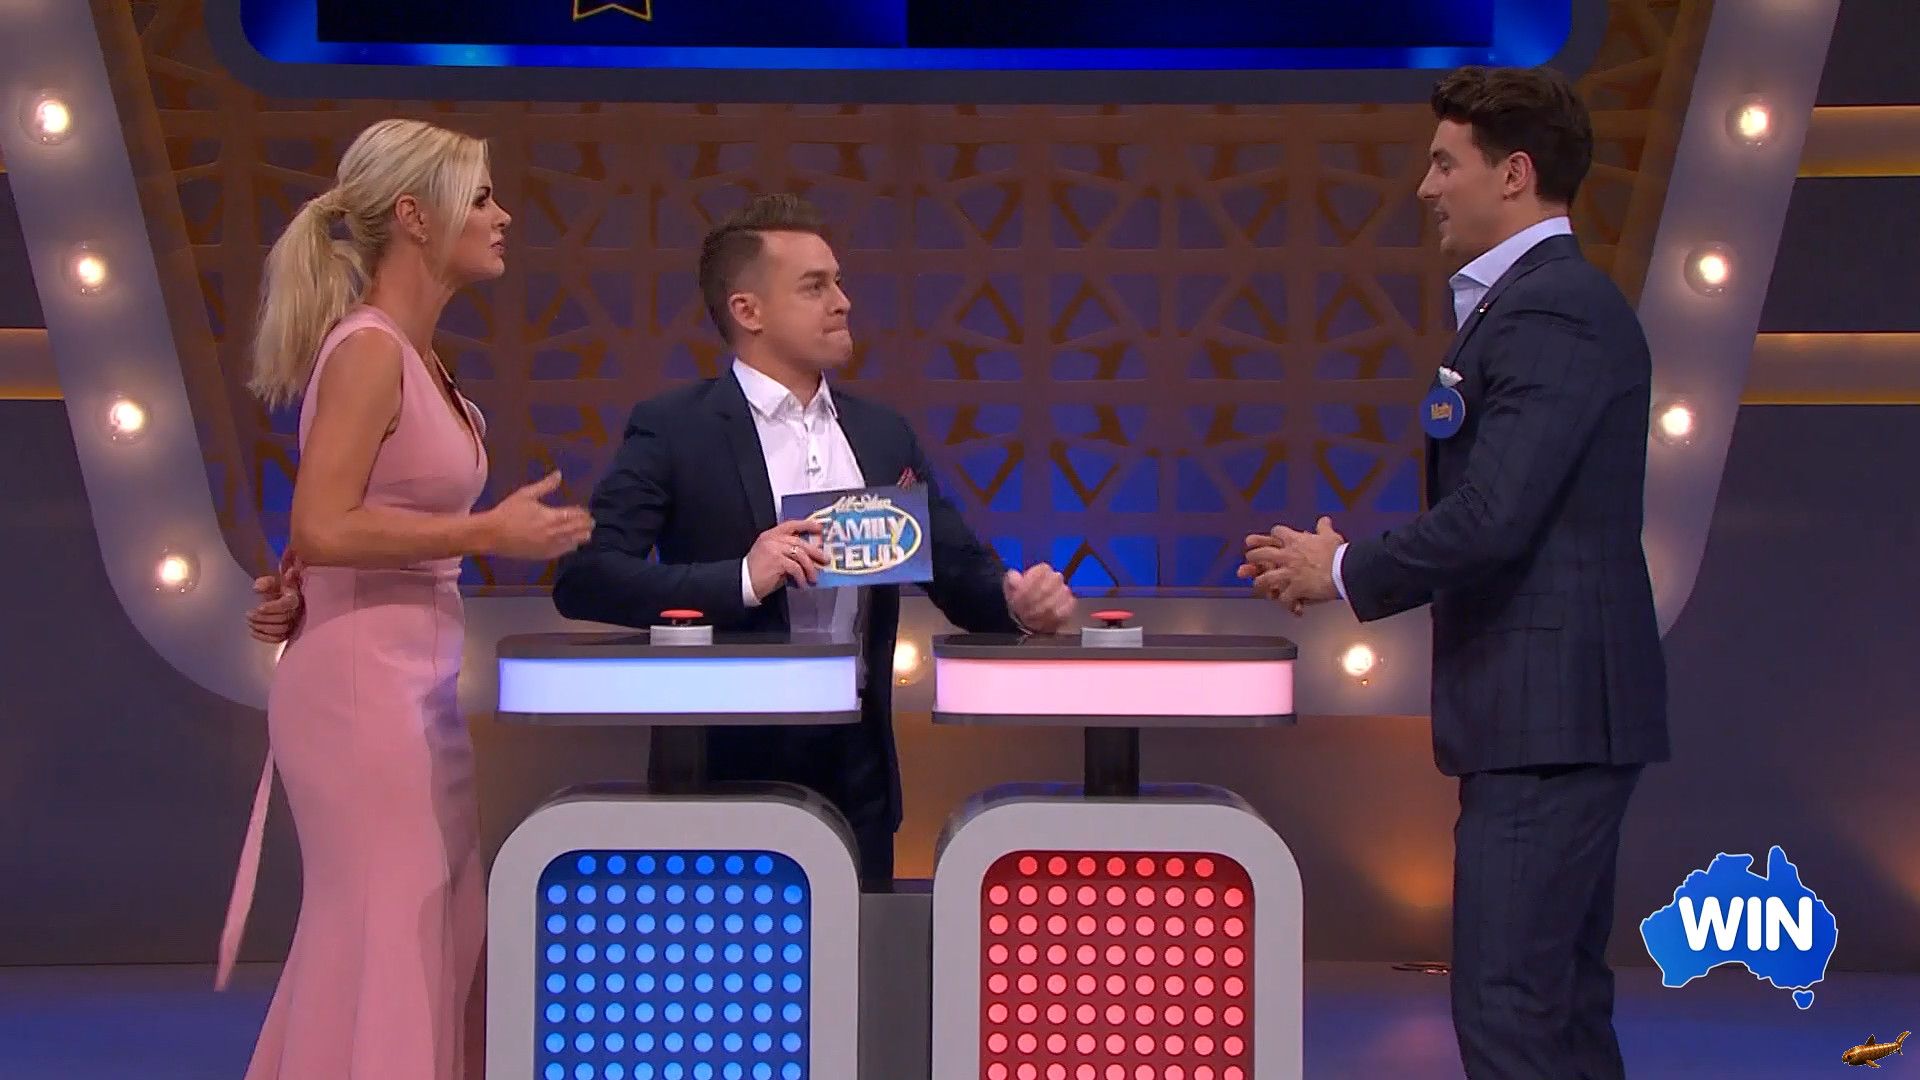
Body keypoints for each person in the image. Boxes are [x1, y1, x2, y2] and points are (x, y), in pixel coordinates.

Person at [1239, 67, 1669, 1080]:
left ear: (1513, 174)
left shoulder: (1552, 310)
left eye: (1444, 163)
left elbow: (1495, 515)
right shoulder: (1530, 306)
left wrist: (1344, 566)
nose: (1425, 187)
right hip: (1548, 721)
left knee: (1511, 1007)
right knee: (1554, 1009)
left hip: (1549, 721)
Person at [551, 193, 1077, 888]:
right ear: (748, 311)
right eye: (815, 286)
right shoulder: (675, 428)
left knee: (858, 951)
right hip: (723, 762)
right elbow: (587, 578)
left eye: (839, 281)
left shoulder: (882, 433)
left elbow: (955, 568)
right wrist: (743, 577)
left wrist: (1015, 601)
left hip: (858, 766)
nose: (843, 302)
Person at [226, 117, 593, 1080]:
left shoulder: (422, 360)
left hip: (411, 685)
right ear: (415, 217)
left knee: (432, 919)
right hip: (361, 698)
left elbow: (337, 533)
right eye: (482, 198)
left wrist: (305, 584)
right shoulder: (369, 351)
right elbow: (322, 525)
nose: (503, 217)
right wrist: (485, 533)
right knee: (387, 924)